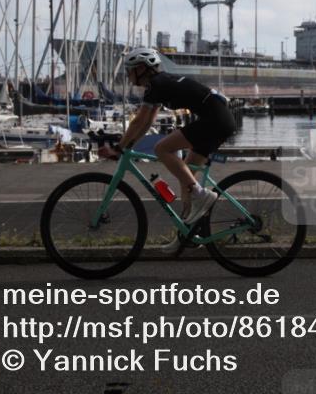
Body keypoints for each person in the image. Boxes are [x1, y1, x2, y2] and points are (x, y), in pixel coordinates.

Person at [99, 47, 236, 249]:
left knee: (161, 149)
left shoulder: (156, 84)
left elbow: (138, 122)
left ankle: (201, 194)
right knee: (186, 176)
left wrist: (119, 148)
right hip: (219, 119)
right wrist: (127, 146)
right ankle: (187, 234)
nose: (127, 76)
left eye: (129, 71)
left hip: (215, 120)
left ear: (141, 69)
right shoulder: (160, 84)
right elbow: (146, 123)